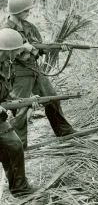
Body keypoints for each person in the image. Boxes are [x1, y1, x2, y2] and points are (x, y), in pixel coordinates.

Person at [2, 0, 76, 149]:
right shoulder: (6, 30)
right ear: (16, 11)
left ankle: (64, 131)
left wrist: (58, 47)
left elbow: (42, 47)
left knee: (52, 98)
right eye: (25, 10)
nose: (28, 12)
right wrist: (23, 47)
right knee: (21, 107)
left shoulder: (29, 26)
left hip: (35, 69)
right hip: (19, 72)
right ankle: (19, 145)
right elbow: (5, 53)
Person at [0, 28, 38, 197]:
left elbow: (7, 94)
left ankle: (18, 188)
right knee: (15, 146)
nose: (18, 53)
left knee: (9, 150)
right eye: (16, 50)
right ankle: (19, 188)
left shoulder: (7, 66)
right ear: (6, 50)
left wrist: (27, 100)